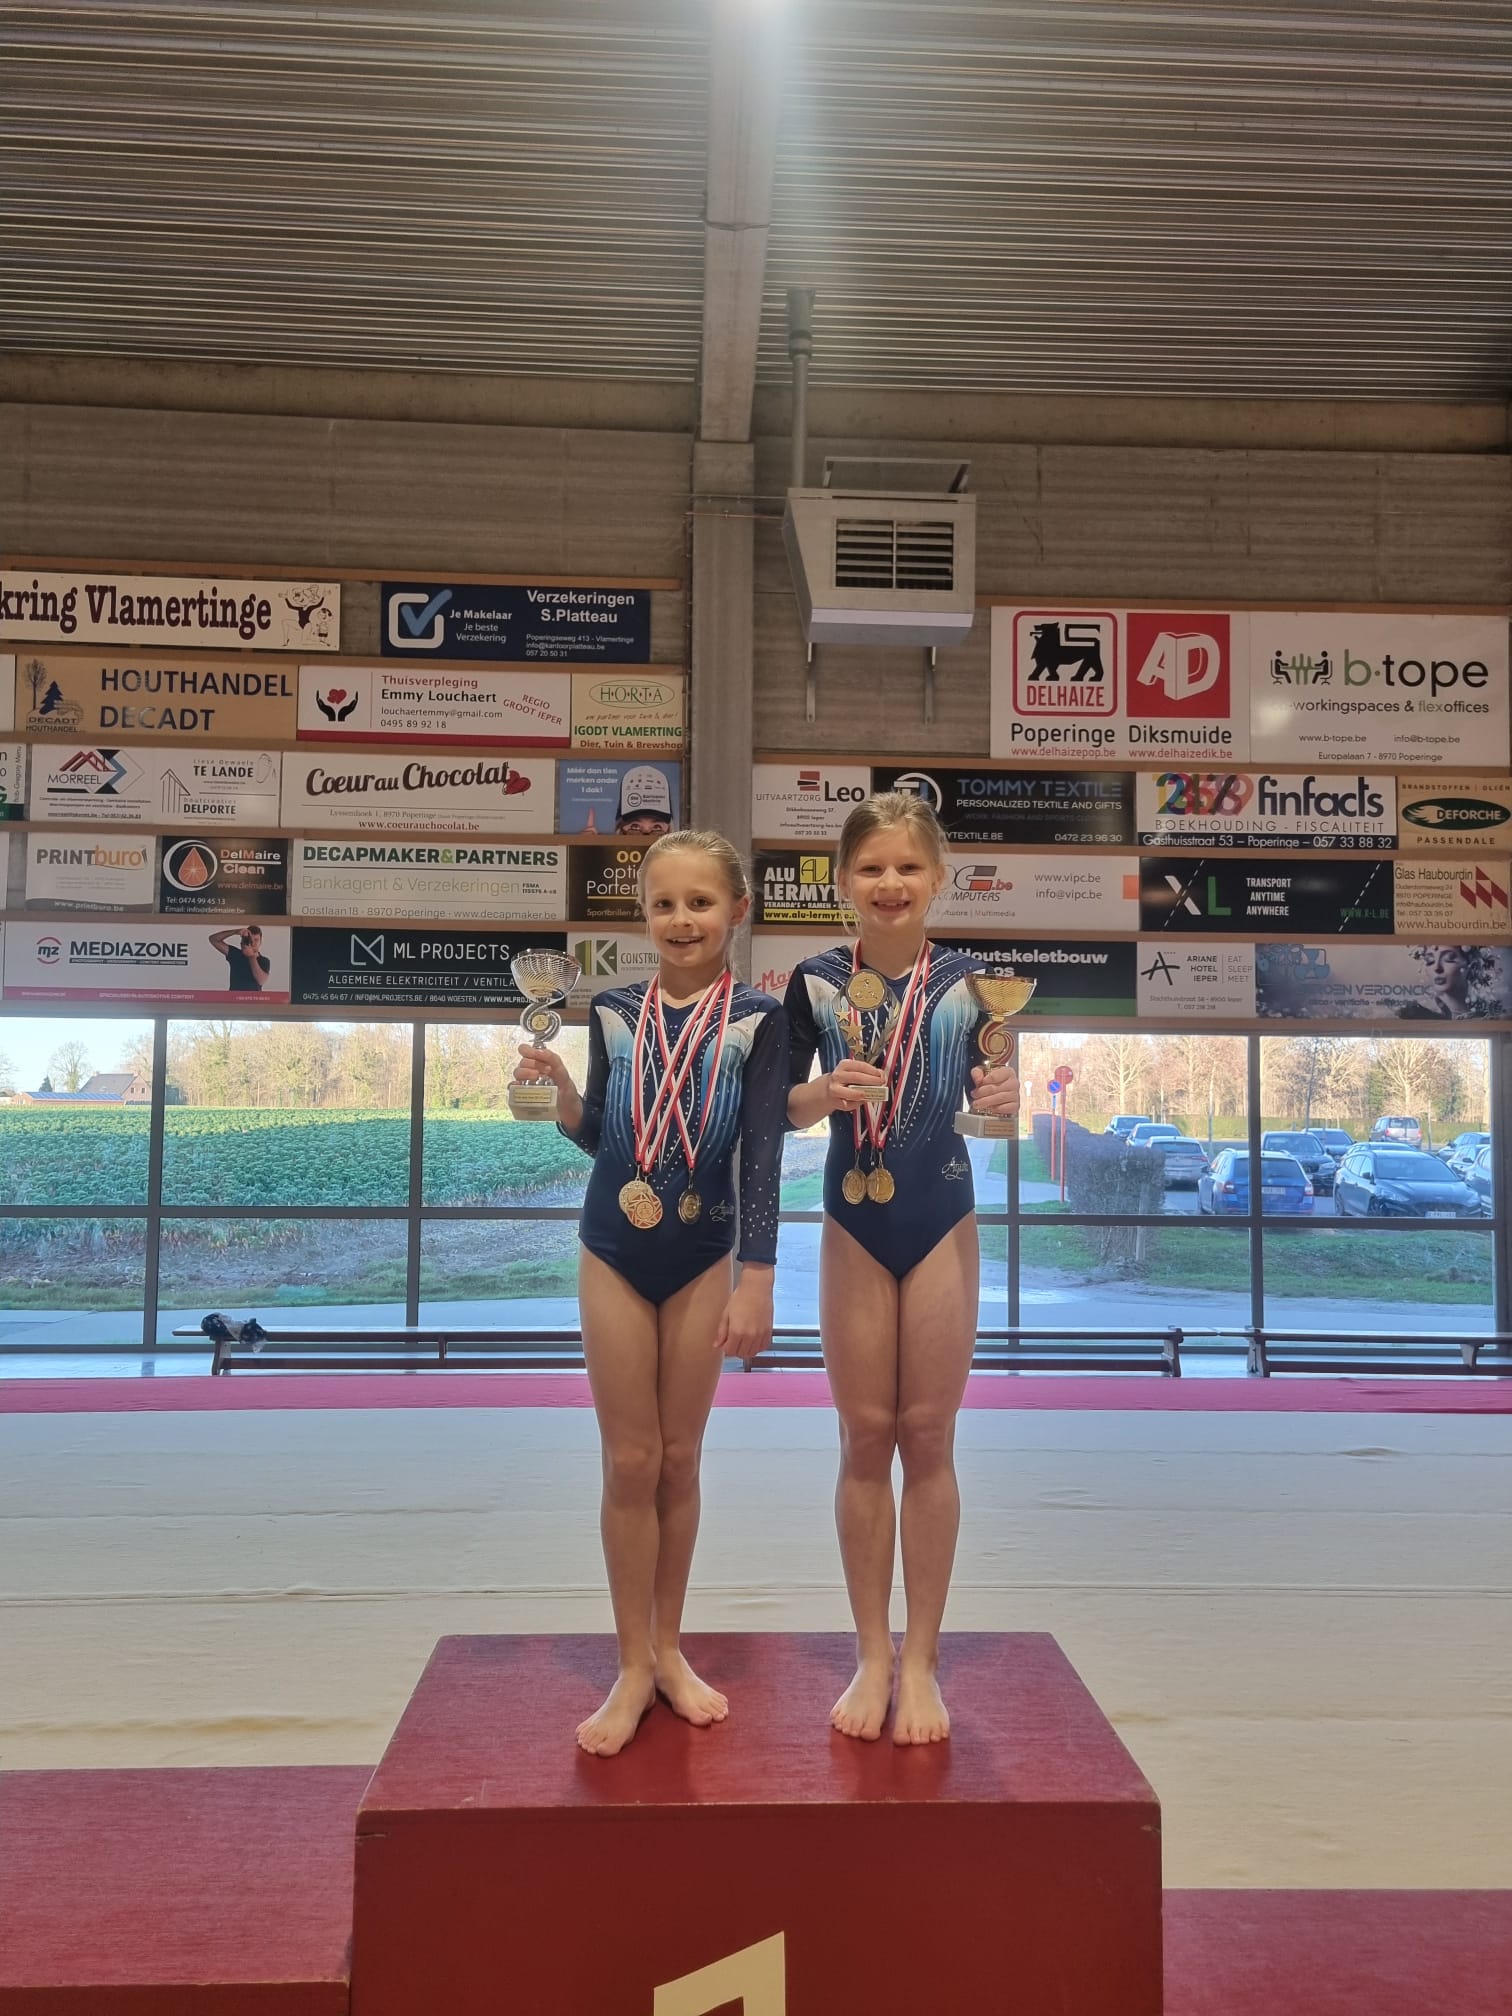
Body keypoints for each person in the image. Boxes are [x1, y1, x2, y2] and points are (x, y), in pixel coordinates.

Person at [514, 830, 786, 1757]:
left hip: (705, 1253)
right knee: (630, 1460)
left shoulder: (758, 1019)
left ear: (736, 911)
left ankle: (669, 1649)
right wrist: (561, 1095)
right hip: (612, 1249)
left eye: (700, 902)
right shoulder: (612, 1010)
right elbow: (606, 1135)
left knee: (679, 1458)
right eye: (664, 903)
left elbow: (762, 1154)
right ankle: (633, 1663)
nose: (682, 919)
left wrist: (758, 1276)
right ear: (644, 915)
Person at [784, 792, 1020, 1746]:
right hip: (852, 1219)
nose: (890, 883)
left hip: (940, 1218)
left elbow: (993, 1101)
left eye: (908, 867)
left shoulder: (975, 986)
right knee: (863, 1435)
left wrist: (1004, 1095)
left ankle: (920, 1656)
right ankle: (871, 1653)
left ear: (938, 879)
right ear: (843, 881)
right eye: (872, 868)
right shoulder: (813, 983)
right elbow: (777, 1108)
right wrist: (821, 1091)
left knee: (927, 1434)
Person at [209, 924, 270, 993]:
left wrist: (251, 957)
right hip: (234, 998)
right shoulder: (236, 954)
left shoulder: (264, 960)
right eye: (250, 939)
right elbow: (213, 939)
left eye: (256, 940)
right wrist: (235, 932)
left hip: (253, 999)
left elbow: (261, 980)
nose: (253, 943)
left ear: (261, 941)